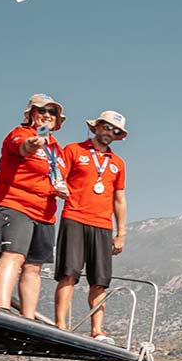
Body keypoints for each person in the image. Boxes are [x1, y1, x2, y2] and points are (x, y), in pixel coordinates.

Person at [53, 111, 128, 343]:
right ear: (96, 127)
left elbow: (119, 199)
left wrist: (121, 233)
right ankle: (61, 325)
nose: (110, 133)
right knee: (68, 274)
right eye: (106, 127)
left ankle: (98, 331)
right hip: (74, 217)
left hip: (102, 225)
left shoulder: (117, 163)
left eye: (115, 131)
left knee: (100, 280)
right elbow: (58, 177)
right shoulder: (74, 150)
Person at [0, 94, 66, 319]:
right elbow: (23, 148)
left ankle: (29, 317)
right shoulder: (20, 133)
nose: (46, 115)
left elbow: (53, 175)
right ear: (31, 114)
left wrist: (60, 189)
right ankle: (2, 307)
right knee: (13, 254)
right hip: (16, 203)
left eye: (52, 112)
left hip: (45, 211)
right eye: (41, 110)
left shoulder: (56, 148)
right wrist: (32, 143)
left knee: (34, 266)